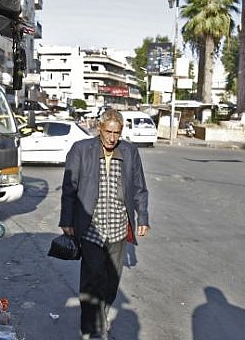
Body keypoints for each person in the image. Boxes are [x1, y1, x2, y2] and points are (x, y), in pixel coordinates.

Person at [60, 109, 150, 339]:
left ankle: (104, 313)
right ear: (99, 128)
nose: (112, 138)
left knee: (112, 279)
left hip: (119, 227)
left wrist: (143, 218)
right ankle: (90, 326)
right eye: (108, 131)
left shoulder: (130, 151)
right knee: (92, 278)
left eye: (116, 133)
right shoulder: (81, 150)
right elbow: (69, 189)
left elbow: (139, 187)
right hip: (91, 227)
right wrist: (67, 220)